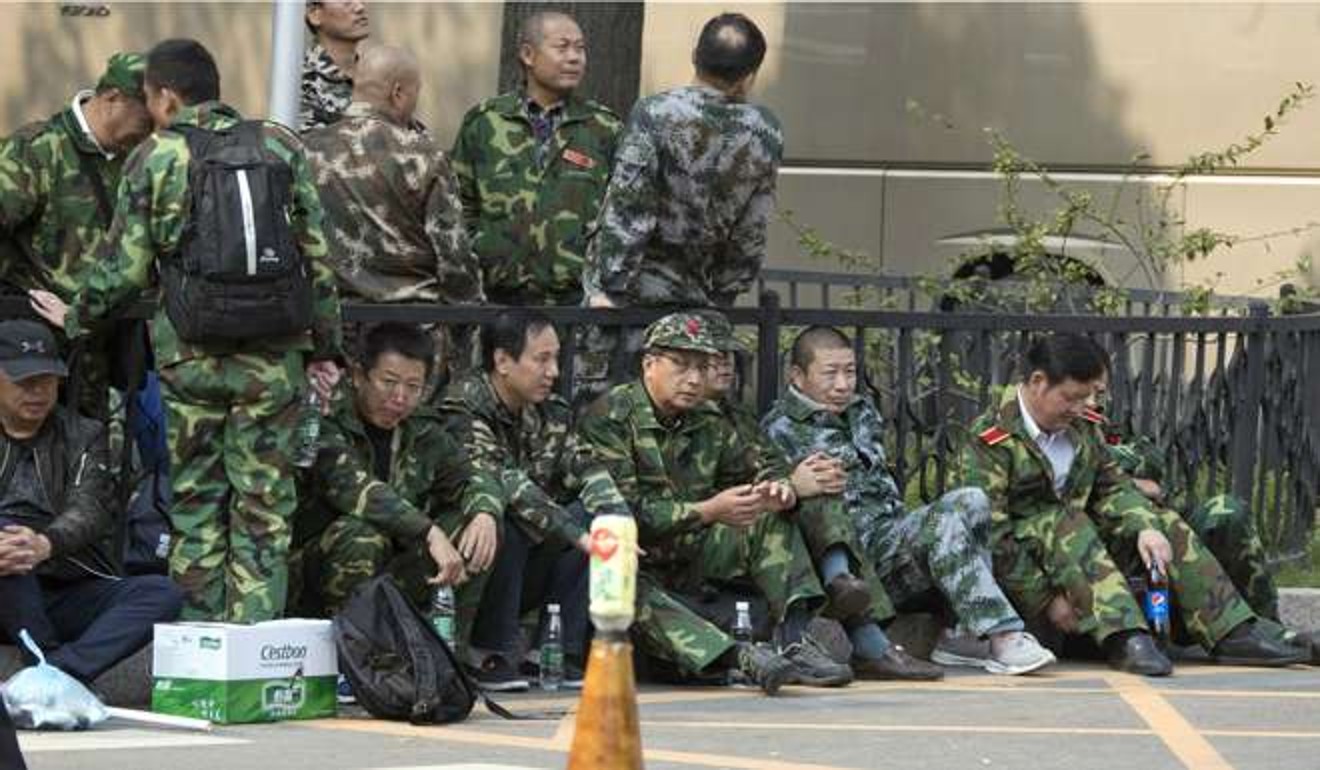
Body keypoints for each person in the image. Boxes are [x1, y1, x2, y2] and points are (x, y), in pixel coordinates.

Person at [30, 39, 343, 623]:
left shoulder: (157, 156)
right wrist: (327, 349)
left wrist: (73, 318)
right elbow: (319, 259)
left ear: (166, 97)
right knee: (264, 507)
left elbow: (122, 269)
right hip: (274, 361)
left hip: (190, 359)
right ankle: (253, 651)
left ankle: (199, 650)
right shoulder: (279, 143)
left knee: (196, 503)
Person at [961, 333, 1306, 676]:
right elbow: (992, 535)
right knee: (1062, 520)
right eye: (1072, 398)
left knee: (1161, 522)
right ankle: (1125, 637)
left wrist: (1145, 527)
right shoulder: (989, 438)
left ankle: (1231, 631)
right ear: (1038, 382)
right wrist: (1045, 600)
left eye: (1088, 397)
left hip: (1088, 557)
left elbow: (1113, 487)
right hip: (1038, 580)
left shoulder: (1082, 426)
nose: (1083, 408)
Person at [578, 311, 852, 695]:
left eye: (701, 367)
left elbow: (758, 466)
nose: (693, 379)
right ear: (649, 364)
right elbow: (624, 513)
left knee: (768, 519)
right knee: (625, 581)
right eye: (680, 365)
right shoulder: (612, 416)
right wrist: (709, 510)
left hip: (697, 548)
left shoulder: (708, 416)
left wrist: (775, 490)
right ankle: (741, 659)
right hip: (642, 555)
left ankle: (796, 640)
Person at [762, 326, 1054, 676]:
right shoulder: (779, 428)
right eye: (830, 373)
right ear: (797, 375)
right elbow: (770, 494)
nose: (842, 384)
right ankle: (1003, 636)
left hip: (891, 541)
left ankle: (958, 635)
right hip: (851, 565)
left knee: (972, 500)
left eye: (850, 371)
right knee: (942, 521)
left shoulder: (861, 412)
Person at [576, 13, 783, 405]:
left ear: (694, 57)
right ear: (750, 73)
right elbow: (753, 227)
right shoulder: (765, 131)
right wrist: (726, 293)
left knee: (608, 410)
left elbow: (629, 208)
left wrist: (609, 285)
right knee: (690, 414)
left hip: (635, 298)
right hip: (700, 302)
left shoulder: (655, 114)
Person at [439, 310, 631, 690]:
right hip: (473, 556)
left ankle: (557, 649)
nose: (554, 371)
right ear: (503, 361)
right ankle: (487, 652)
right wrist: (577, 535)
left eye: (555, 358)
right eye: (541, 359)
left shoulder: (549, 410)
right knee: (504, 521)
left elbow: (585, 466)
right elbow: (508, 484)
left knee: (596, 519)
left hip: (530, 560)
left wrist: (618, 521)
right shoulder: (462, 407)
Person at [291, 323, 502, 657]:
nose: (400, 397)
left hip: (394, 566)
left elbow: (472, 474)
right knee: (361, 534)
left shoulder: (421, 429)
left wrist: (485, 512)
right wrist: (429, 532)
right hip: (317, 572)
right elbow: (357, 490)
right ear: (359, 376)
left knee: (474, 529)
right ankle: (354, 657)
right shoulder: (328, 420)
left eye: (413, 386)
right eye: (388, 382)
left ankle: (445, 657)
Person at [0, 320, 181, 688]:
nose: (37, 392)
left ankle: (59, 672)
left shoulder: (83, 433)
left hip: (63, 582)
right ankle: (44, 663)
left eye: (47, 380)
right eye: (23, 381)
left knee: (161, 594)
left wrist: (44, 544)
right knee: (8, 543)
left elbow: (91, 508)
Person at [1090, 384, 1317, 661]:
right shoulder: (1055, 429)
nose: (1093, 400)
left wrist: (1125, 474)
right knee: (1163, 520)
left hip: (1158, 533)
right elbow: (1101, 474)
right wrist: (1125, 478)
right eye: (1085, 391)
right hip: (1107, 551)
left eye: (1099, 391)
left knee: (1226, 511)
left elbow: (1151, 464)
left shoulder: (1107, 427)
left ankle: (1264, 627)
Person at [304, 44, 483, 380]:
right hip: (414, 335)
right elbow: (454, 257)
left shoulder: (306, 150)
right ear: (398, 93)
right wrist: (470, 317)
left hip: (334, 334)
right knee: (411, 423)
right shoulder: (423, 156)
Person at [0, 52, 151, 419]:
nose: (153, 130)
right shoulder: (37, 149)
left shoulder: (139, 159)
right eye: (147, 118)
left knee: (89, 460)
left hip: (95, 357)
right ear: (113, 99)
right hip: (33, 358)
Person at [450, 10, 621, 306]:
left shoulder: (603, 127)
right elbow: (459, 205)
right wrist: (481, 256)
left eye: (580, 49)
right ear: (528, 55)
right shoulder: (485, 121)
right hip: (496, 299)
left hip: (574, 302)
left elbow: (619, 213)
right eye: (562, 47)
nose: (574, 57)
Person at [300, 0, 370, 132]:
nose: (360, 7)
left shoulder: (377, 75)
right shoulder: (301, 82)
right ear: (315, 14)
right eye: (347, 2)